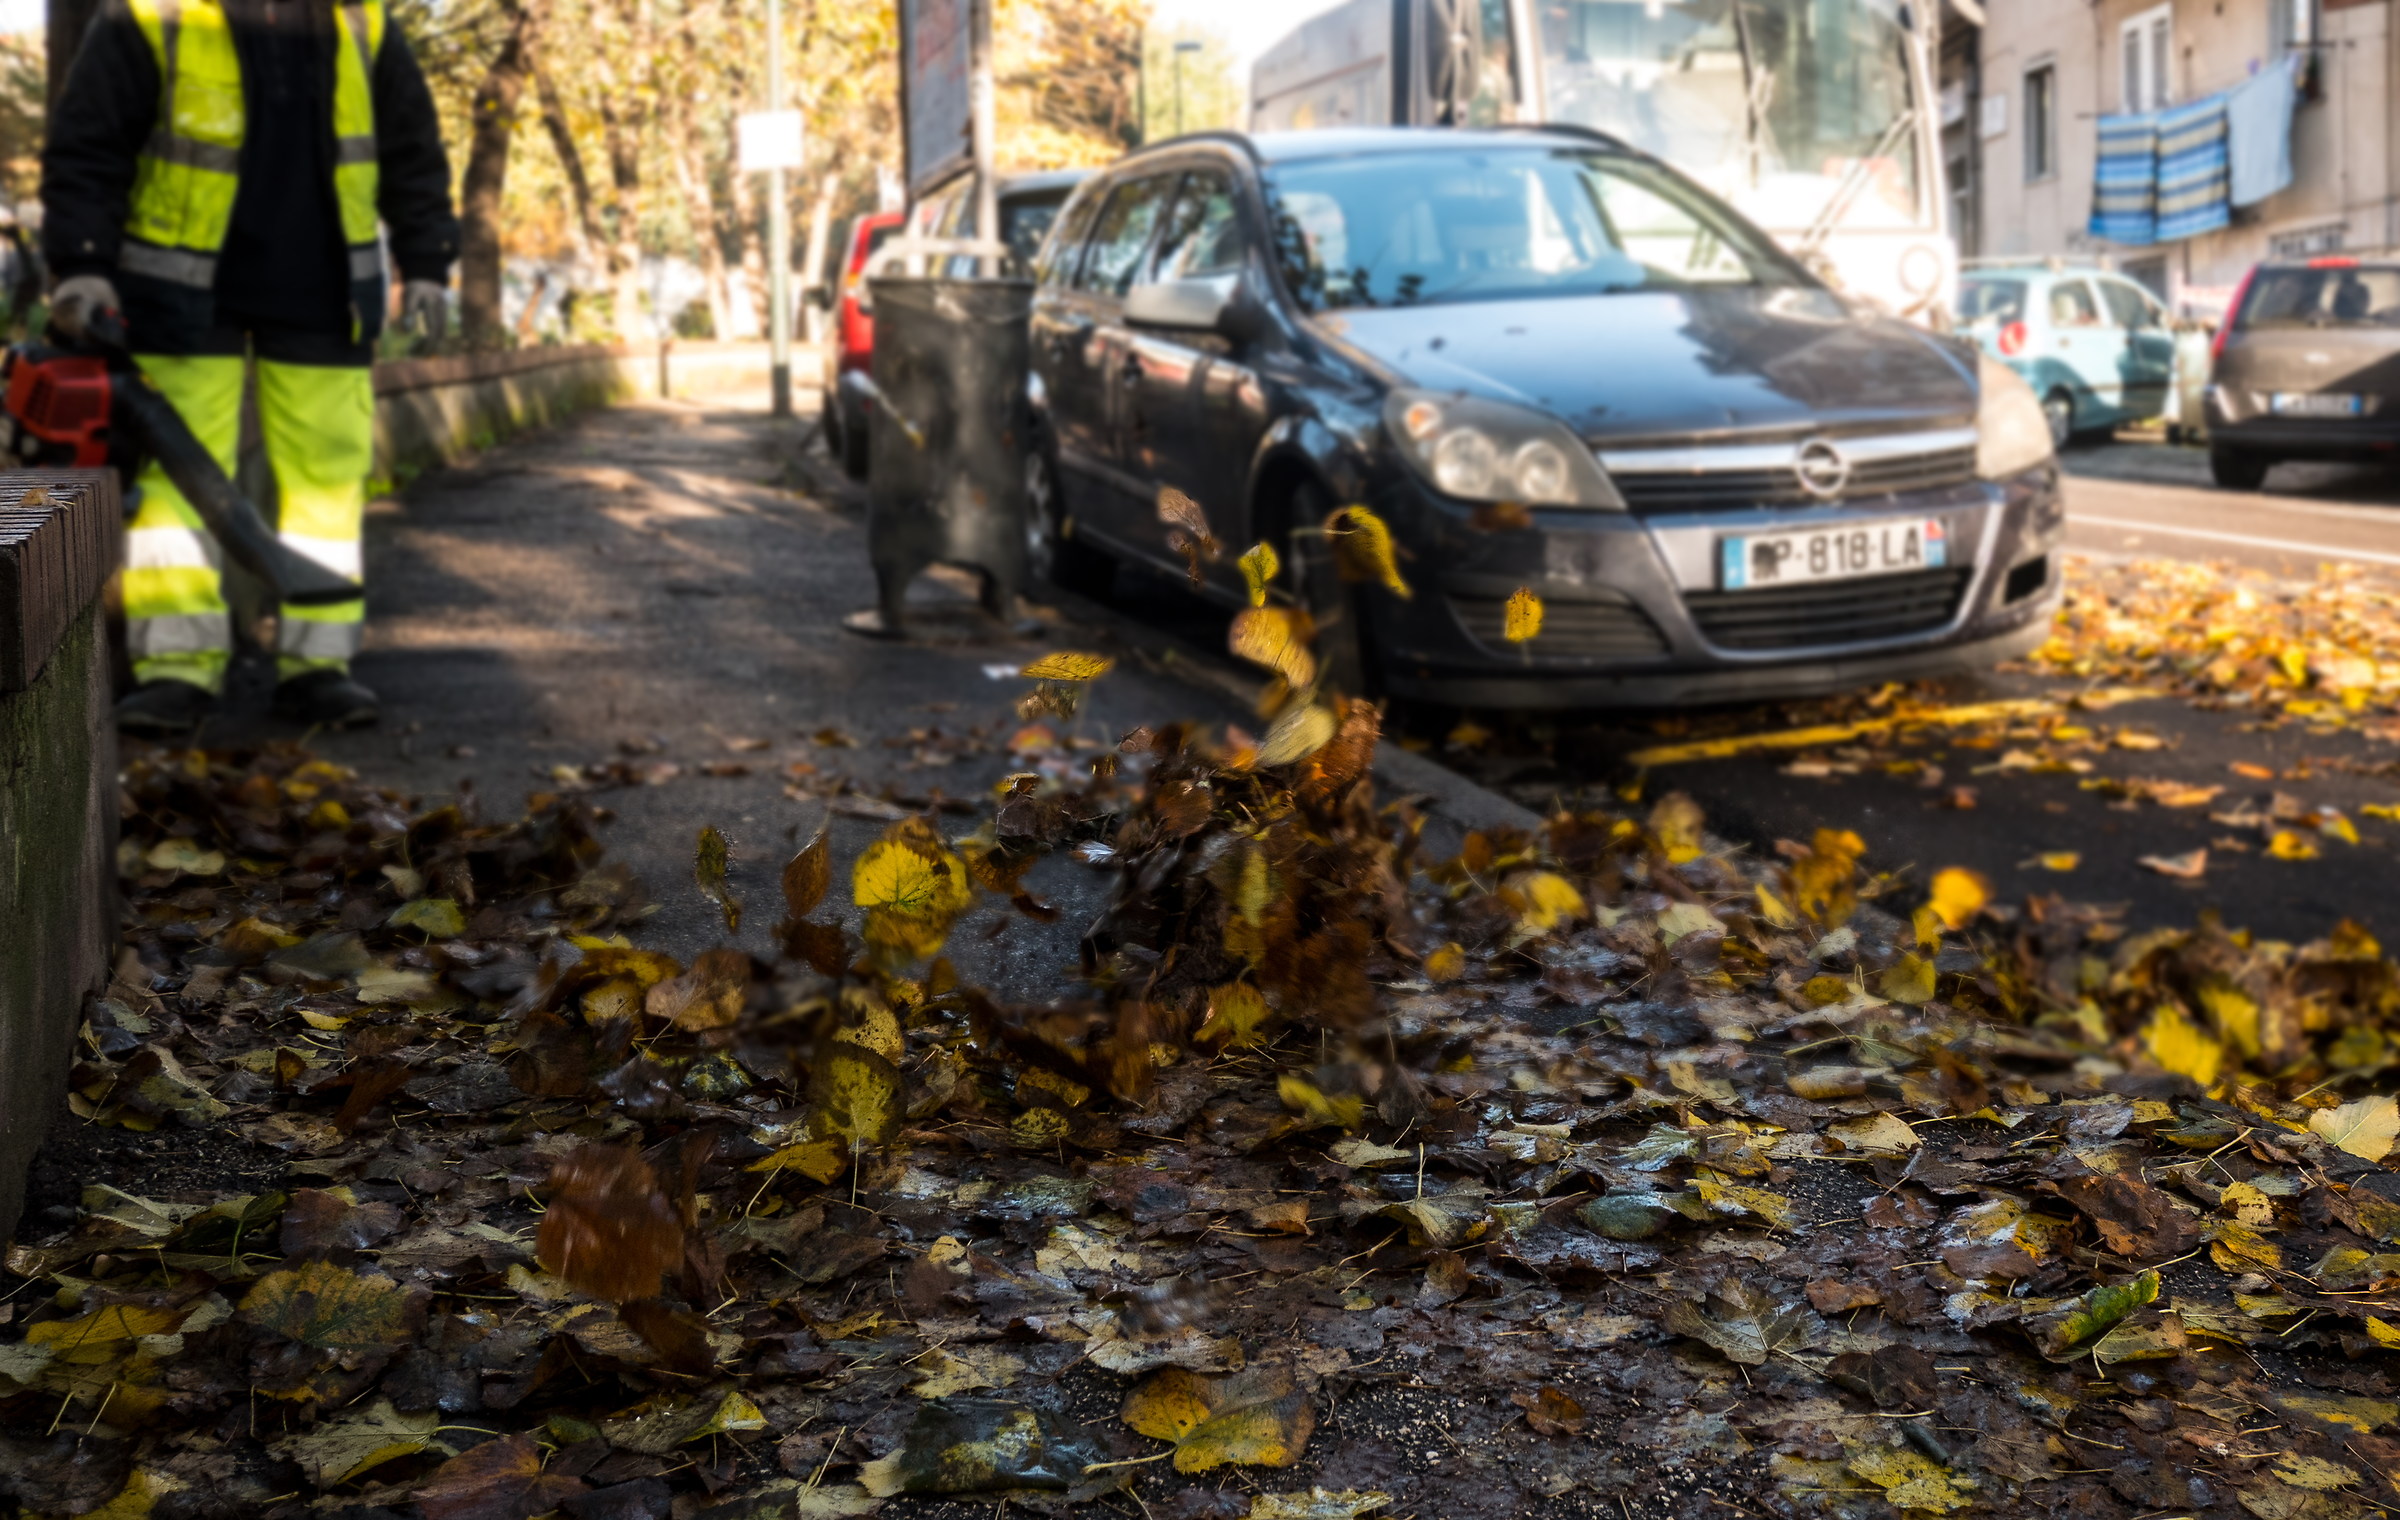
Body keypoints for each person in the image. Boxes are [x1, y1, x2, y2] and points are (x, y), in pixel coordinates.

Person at [42, 0, 460, 733]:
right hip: (176, 288)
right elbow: (89, 145)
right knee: (177, 481)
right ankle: (176, 669)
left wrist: (427, 261)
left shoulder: (362, 23)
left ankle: (317, 666)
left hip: (326, 289)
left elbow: (411, 148)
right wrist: (82, 264)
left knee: (326, 480)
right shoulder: (152, 17)